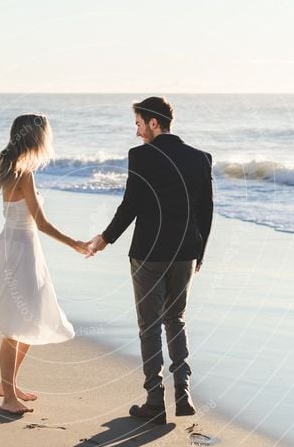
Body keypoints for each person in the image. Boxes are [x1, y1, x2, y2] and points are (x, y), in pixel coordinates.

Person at [88, 97, 213, 424]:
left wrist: (105, 238)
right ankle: (183, 394)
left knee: (149, 326)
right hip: (186, 253)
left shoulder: (141, 157)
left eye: (139, 124)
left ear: (154, 123)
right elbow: (206, 210)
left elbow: (131, 205)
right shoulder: (201, 159)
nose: (137, 132)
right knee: (176, 319)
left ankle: (155, 401)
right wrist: (200, 253)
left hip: (148, 254)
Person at [0, 114, 89, 415]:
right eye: (45, 134)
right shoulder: (23, 173)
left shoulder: (13, 168)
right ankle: (7, 397)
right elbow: (40, 222)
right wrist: (74, 243)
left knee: (30, 320)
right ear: (35, 137)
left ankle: (9, 386)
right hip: (19, 250)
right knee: (15, 324)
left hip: (20, 247)